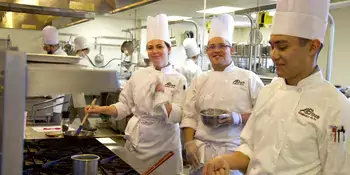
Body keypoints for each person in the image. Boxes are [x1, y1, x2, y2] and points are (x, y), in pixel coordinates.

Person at [203, 0, 350, 175]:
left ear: (313, 46)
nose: (273, 55)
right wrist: (224, 161)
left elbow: (338, 170)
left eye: (282, 47)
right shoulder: (268, 92)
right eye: (272, 46)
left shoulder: (336, 107)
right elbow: (250, 149)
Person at [84, 14, 186, 175]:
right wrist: (100, 109)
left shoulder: (179, 79)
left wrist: (161, 98)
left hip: (165, 146)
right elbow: (124, 106)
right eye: (150, 47)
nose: (154, 51)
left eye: (159, 46)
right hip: (137, 143)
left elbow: (179, 115)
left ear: (169, 49)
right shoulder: (139, 75)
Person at [181, 14, 264, 175]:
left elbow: (263, 115)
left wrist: (239, 118)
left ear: (231, 49)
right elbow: (190, 115)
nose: (216, 50)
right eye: (211, 47)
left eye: (222, 46)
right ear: (207, 51)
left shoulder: (249, 78)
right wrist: (189, 143)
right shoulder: (199, 80)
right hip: (201, 154)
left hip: (233, 154)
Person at [67, 36, 96, 131]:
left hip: (77, 87)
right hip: (77, 87)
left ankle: (68, 124)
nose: (87, 53)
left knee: (74, 107)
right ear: (81, 49)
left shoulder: (82, 59)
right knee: (80, 106)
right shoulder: (76, 59)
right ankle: (86, 125)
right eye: (86, 51)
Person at [41, 26, 66, 117]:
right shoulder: (51, 55)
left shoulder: (63, 57)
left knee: (54, 127)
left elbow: (60, 81)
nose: (45, 49)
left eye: (46, 47)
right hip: (47, 100)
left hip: (55, 102)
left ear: (52, 46)